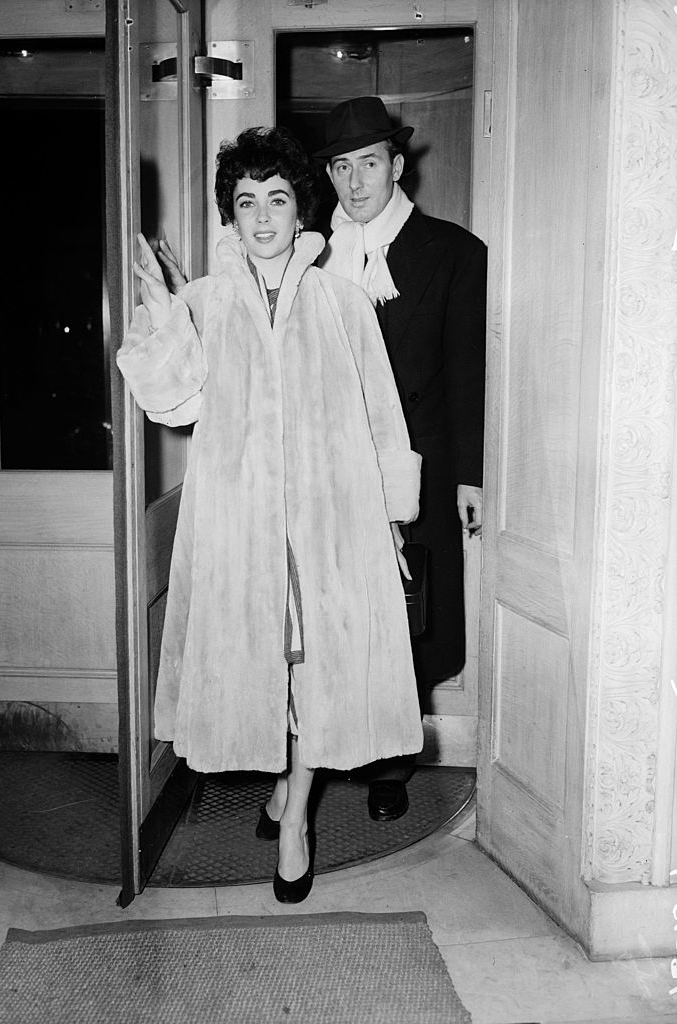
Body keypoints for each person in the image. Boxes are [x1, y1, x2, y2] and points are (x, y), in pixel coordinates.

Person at [116, 126, 423, 903]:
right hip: (240, 523)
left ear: (300, 209)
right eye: (246, 201)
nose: (261, 218)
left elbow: (383, 414)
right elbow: (173, 400)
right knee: (265, 667)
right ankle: (285, 789)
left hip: (331, 522)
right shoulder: (207, 301)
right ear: (231, 214)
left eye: (276, 199)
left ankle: (295, 818)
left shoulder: (341, 298)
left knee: (320, 669)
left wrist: (391, 519)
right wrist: (161, 314)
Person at [314, 96, 487, 823]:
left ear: (396, 164)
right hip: (329, 468)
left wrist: (471, 473)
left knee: (405, 619)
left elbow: (467, 370)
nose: (356, 182)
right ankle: (318, 756)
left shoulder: (452, 252)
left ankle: (389, 765)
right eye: (342, 167)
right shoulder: (311, 255)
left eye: (370, 163)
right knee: (329, 618)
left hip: (413, 467)